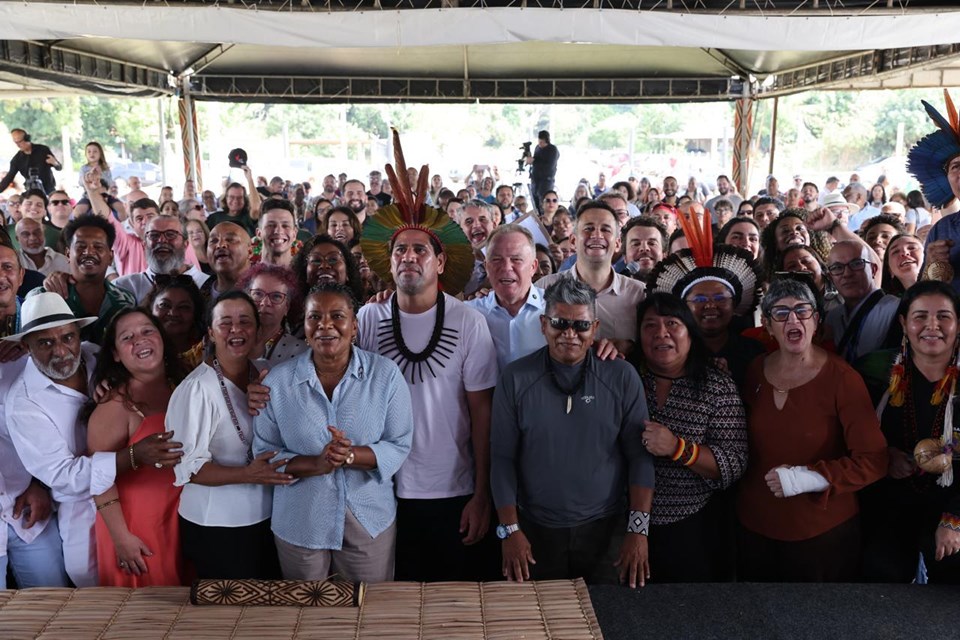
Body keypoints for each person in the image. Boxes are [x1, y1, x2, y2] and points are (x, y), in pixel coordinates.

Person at [352, 134, 498, 582]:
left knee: (453, 605)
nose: (409, 256)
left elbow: (482, 413)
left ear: (439, 261)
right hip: (380, 489)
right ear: (388, 263)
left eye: (420, 249)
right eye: (400, 250)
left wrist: (482, 494)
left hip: (453, 489)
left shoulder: (469, 322)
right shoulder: (367, 318)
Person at [5, 293, 181, 587]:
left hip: (146, 502)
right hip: (82, 511)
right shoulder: (23, 403)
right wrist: (133, 455)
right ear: (26, 346)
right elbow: (63, 476)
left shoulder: (92, 354)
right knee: (99, 592)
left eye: (67, 338)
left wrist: (110, 379)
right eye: (45, 343)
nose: (61, 351)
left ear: (79, 335)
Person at [491, 278, 655, 587]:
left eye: (580, 326)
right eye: (559, 323)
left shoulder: (621, 376)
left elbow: (639, 457)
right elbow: (501, 458)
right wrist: (510, 530)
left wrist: (637, 529)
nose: (569, 334)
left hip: (606, 528)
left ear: (595, 328)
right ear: (543, 325)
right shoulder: (516, 378)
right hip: (534, 528)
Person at [252, 284, 413, 582]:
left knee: (368, 613)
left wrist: (349, 455)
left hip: (368, 519)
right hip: (300, 520)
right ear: (305, 326)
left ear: (354, 326)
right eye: (315, 317)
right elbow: (264, 454)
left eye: (337, 316)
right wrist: (318, 464)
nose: (325, 325)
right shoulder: (279, 382)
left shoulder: (385, 375)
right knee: (305, 617)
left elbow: (399, 444)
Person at [737, 279, 887, 582]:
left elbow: (874, 460)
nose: (793, 319)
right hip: (753, 528)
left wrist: (809, 477)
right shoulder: (753, 369)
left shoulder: (843, 379)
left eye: (802, 310)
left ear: (816, 320)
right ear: (767, 324)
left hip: (822, 534)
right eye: (780, 313)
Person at [169, 291, 293, 579]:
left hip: (266, 516)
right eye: (225, 323)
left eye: (245, 322)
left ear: (257, 330)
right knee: (227, 615)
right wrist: (249, 475)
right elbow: (188, 468)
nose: (236, 330)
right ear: (211, 333)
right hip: (217, 524)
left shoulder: (266, 374)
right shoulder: (197, 389)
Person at [632, 293, 748, 581]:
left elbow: (733, 464)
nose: (661, 333)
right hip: (624, 523)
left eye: (672, 323)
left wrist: (677, 448)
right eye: (650, 325)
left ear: (690, 332)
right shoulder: (628, 378)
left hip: (692, 525)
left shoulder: (716, 385)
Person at [859, 282, 960, 583]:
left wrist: (955, 519)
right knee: (879, 573)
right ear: (904, 323)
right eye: (920, 316)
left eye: (944, 316)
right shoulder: (875, 372)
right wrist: (883, 455)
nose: (932, 326)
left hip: (952, 504)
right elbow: (852, 435)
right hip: (892, 503)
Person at [87, 309, 187, 586]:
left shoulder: (183, 385)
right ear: (116, 354)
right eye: (127, 337)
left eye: (147, 331)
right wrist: (122, 538)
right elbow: (98, 476)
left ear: (161, 338)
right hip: (137, 526)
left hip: (180, 519)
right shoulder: (115, 405)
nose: (139, 340)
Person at [646, 208, 763, 389]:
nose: (710, 305)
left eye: (720, 298)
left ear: (734, 304)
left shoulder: (755, 352)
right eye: (699, 300)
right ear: (684, 307)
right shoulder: (670, 352)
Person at [536, 200, 645, 355]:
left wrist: (630, 346)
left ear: (618, 243)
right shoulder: (543, 288)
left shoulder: (638, 294)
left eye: (606, 229)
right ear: (573, 240)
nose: (596, 235)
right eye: (588, 228)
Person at [36, 214, 136, 345]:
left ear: (111, 257)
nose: (89, 252)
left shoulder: (127, 302)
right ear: (67, 254)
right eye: (81, 246)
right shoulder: (42, 297)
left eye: (98, 247)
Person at [465, 225, 546, 369]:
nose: (507, 267)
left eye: (516, 259)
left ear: (533, 267)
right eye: (496, 260)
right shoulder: (469, 314)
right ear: (486, 267)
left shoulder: (556, 309)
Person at [824, 240, 901, 363]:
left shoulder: (895, 308)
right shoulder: (833, 317)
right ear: (830, 278)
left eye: (856, 264)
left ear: (873, 270)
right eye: (838, 268)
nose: (847, 274)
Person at [114, 215, 209, 303]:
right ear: (144, 245)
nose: (161, 240)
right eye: (154, 235)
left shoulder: (207, 284)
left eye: (171, 234)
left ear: (185, 244)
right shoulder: (123, 287)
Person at [238, 263, 307, 366]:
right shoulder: (232, 339)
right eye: (258, 294)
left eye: (276, 297)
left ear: (287, 307)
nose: (265, 303)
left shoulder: (301, 352)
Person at [145, 274, 207, 372]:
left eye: (183, 307)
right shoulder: (141, 351)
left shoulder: (207, 353)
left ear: (195, 313)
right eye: (164, 305)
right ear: (150, 308)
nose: (173, 313)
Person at [292, 234, 364, 306]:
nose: (324, 266)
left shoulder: (363, 315)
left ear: (347, 272)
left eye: (333, 259)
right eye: (316, 260)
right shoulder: (290, 313)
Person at [201, 222, 251, 304]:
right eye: (213, 241)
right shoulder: (199, 295)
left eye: (230, 240)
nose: (220, 245)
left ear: (250, 251)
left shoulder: (265, 289)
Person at [0, 129, 61, 194]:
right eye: (16, 143)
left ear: (27, 138)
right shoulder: (17, 160)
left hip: (49, 190)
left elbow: (59, 167)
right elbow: (9, 178)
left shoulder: (43, 150)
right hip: (31, 191)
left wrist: (55, 163)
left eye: (20, 142)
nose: (18, 145)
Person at [525, 130, 559, 211]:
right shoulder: (537, 148)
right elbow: (535, 159)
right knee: (535, 203)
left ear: (547, 141)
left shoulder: (552, 150)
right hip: (535, 180)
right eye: (539, 142)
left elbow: (549, 166)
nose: (540, 144)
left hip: (546, 181)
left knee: (543, 204)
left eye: (542, 142)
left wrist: (534, 161)